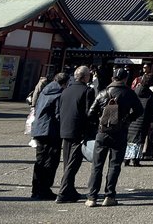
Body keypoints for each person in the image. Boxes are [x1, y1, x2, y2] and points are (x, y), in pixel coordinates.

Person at [85, 68, 141, 208]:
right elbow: (139, 110)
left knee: (97, 165)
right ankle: (109, 196)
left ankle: (92, 197)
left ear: (112, 78)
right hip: (120, 131)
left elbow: (90, 112)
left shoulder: (103, 93)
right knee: (114, 165)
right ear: (125, 79)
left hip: (102, 131)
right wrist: (128, 119)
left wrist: (99, 121)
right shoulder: (129, 93)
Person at [56, 66, 95, 203]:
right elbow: (89, 113)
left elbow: (59, 109)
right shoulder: (88, 91)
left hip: (65, 128)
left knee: (68, 161)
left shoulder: (66, 90)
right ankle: (63, 193)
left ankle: (70, 190)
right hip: (78, 130)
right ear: (85, 77)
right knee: (73, 163)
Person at [30, 72, 69, 199]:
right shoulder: (59, 94)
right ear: (64, 83)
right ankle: (44, 189)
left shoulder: (45, 91)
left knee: (40, 160)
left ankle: (36, 189)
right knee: (51, 160)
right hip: (51, 131)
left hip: (39, 129)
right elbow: (58, 115)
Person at [125, 79, 153, 167]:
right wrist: (151, 121)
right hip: (143, 119)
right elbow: (151, 109)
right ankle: (136, 160)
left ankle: (126, 159)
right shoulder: (150, 94)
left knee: (129, 139)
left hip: (133, 117)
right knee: (139, 140)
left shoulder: (134, 91)